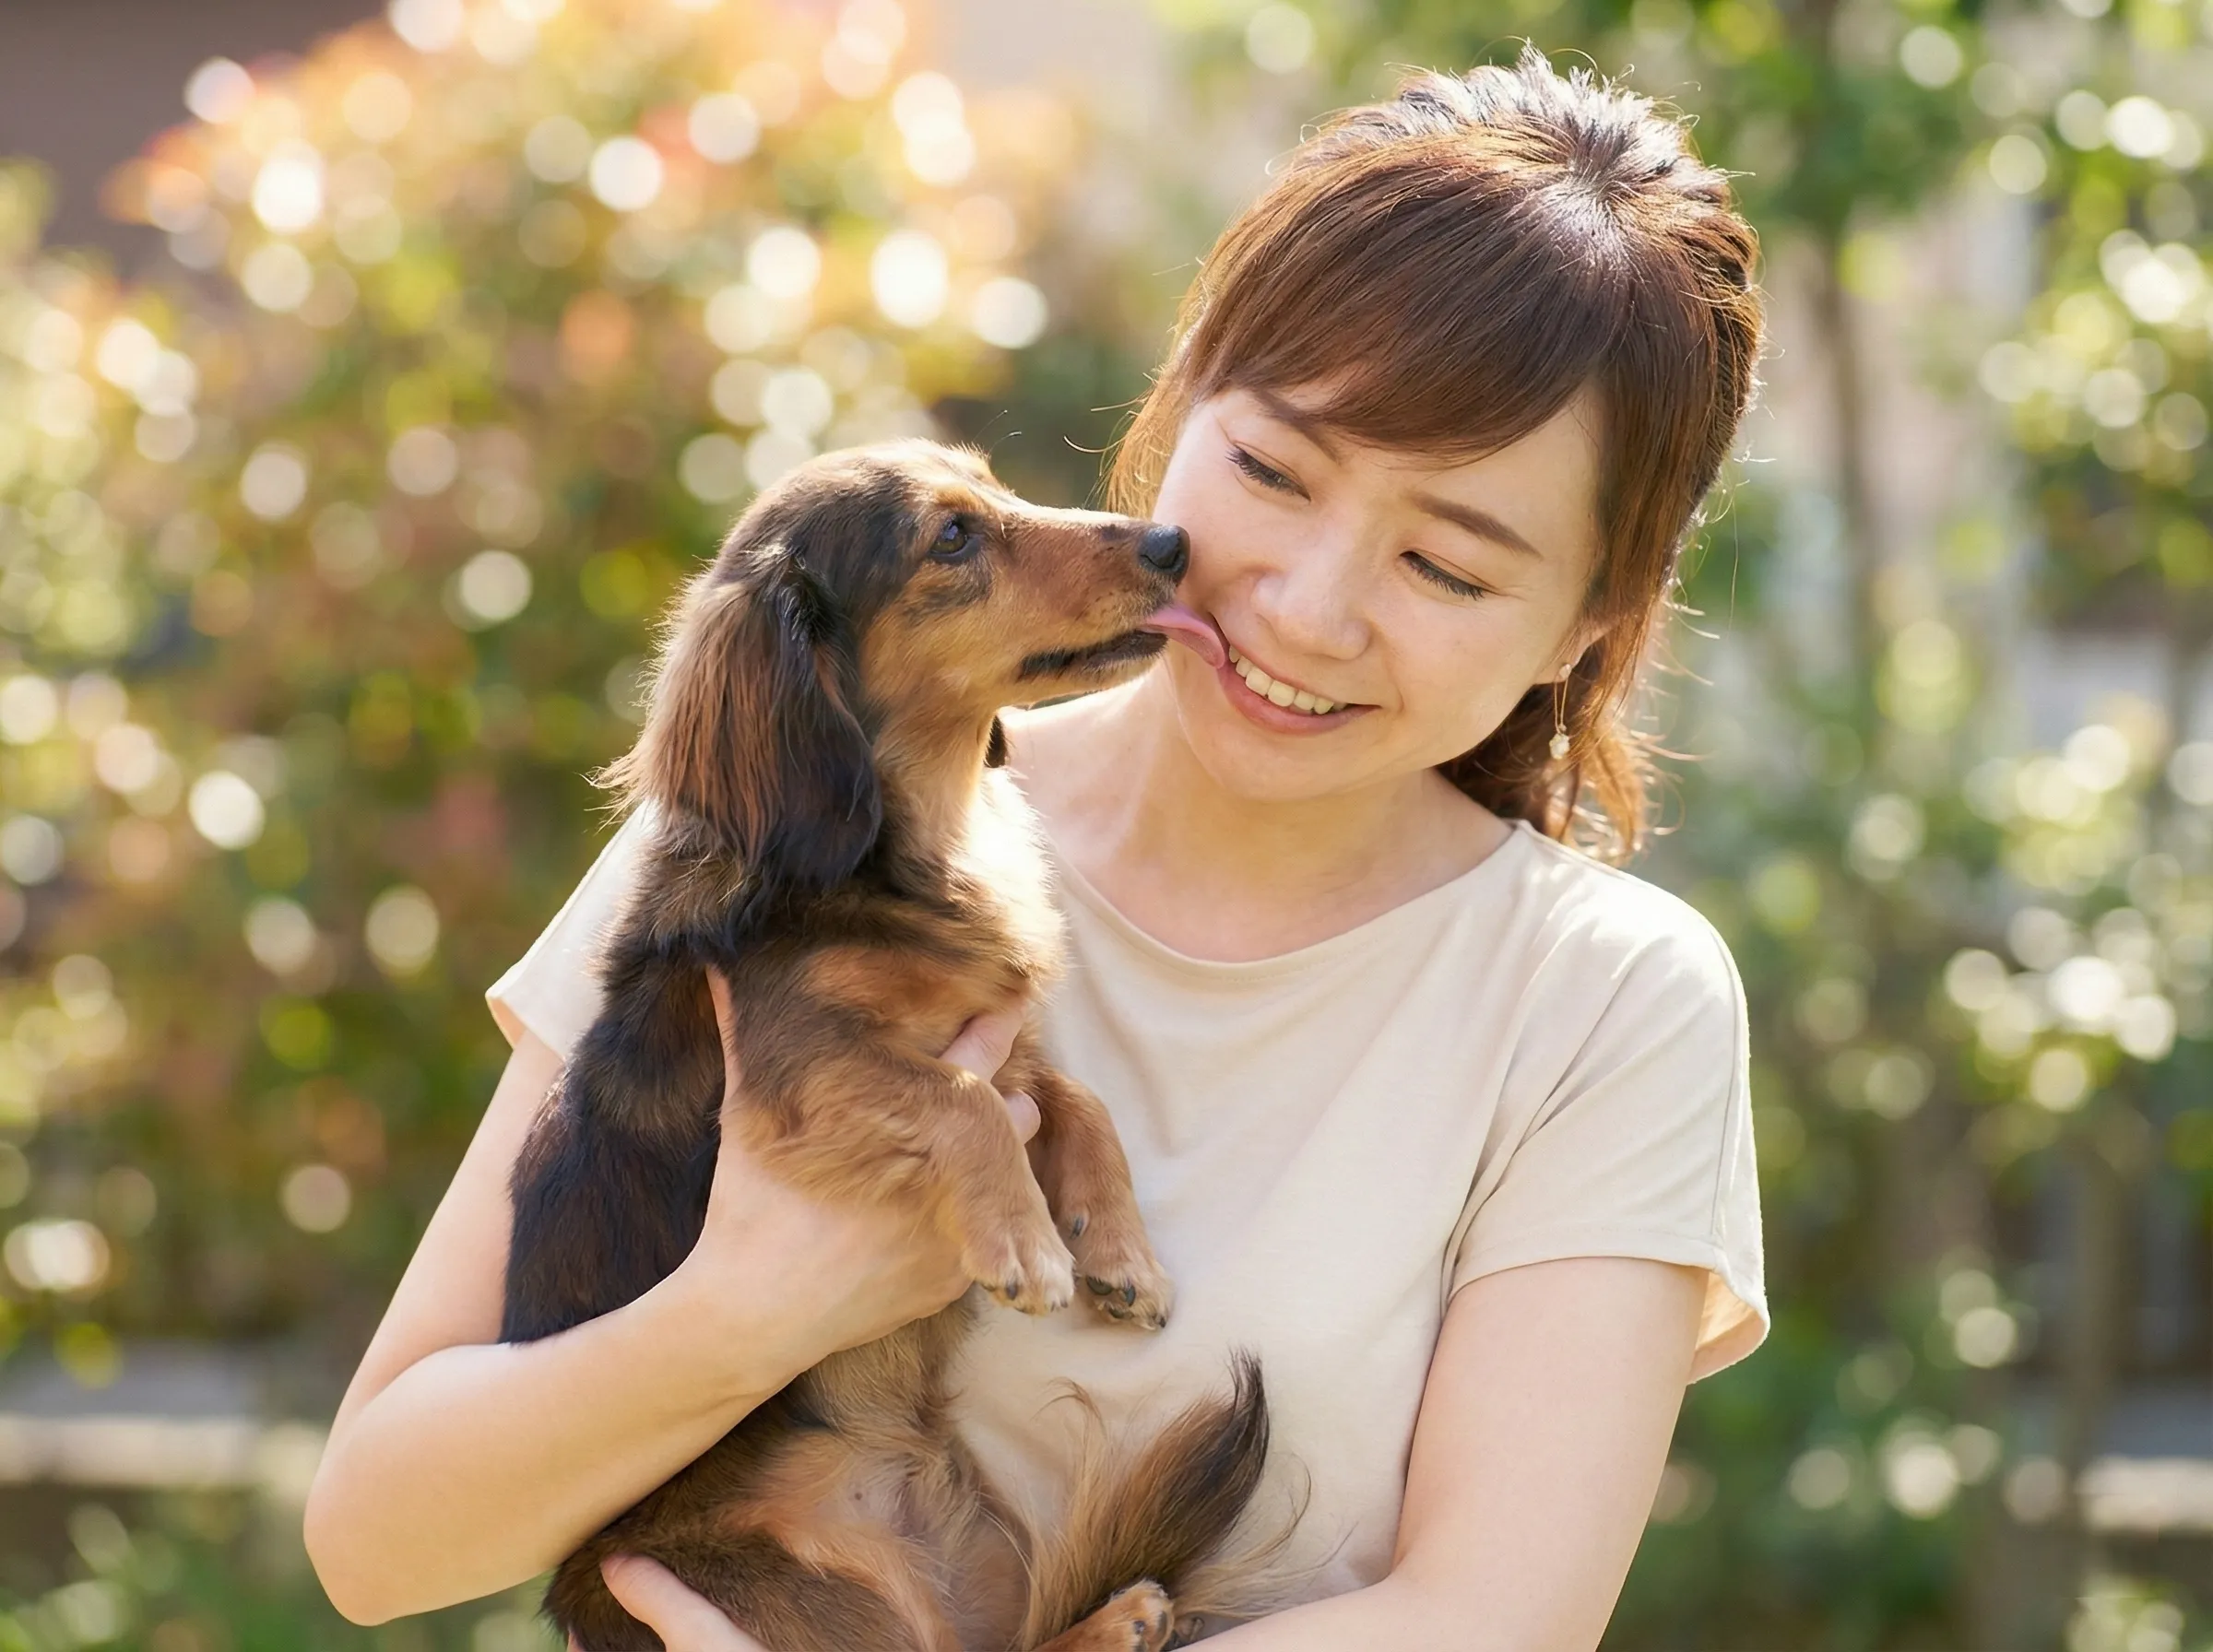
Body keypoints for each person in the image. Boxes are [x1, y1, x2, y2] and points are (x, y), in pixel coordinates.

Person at [304, 45, 1769, 1650]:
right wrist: (748, 1315)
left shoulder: (1602, 1003)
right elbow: (379, 1541)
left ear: (1590, 625)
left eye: (1450, 567)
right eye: (1273, 470)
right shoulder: (787, 818)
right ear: (1177, 409)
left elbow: (1497, 1618)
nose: (1305, 604)